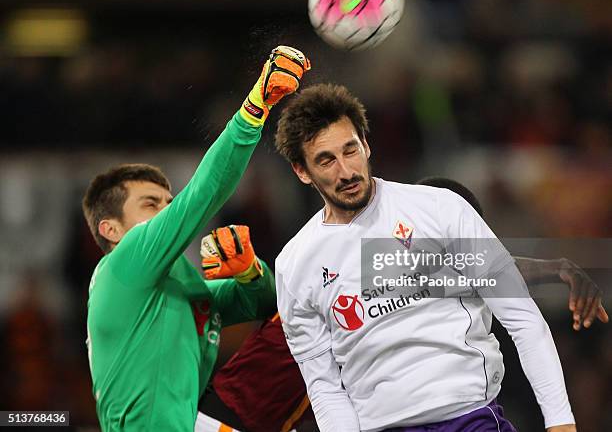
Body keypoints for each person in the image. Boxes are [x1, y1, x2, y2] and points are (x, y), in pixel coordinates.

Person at [273, 83, 577, 432]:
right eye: (326, 160)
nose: (346, 172)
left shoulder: (439, 209)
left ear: (366, 145)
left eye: (350, 150)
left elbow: (523, 317)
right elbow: (324, 386)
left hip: (469, 419)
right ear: (301, 171)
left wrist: (560, 421)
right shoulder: (295, 265)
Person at [198, 178, 607, 432]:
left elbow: (486, 271)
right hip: (229, 418)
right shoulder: (369, 266)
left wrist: (558, 267)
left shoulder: (375, 267)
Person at [83, 46, 310, 431]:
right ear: (111, 229)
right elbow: (202, 195)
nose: (166, 212)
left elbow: (265, 304)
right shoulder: (123, 264)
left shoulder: (180, 286)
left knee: (298, 315)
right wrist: (256, 106)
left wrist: (248, 270)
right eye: (151, 204)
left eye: (168, 203)